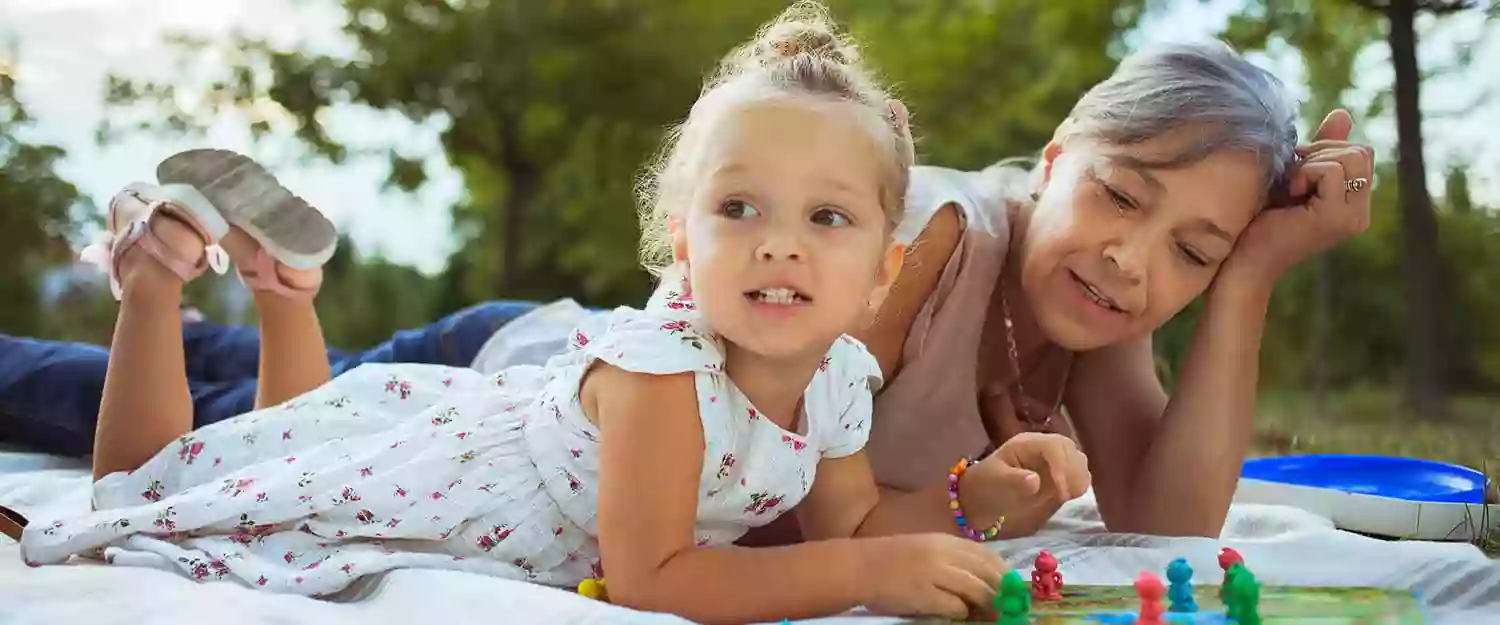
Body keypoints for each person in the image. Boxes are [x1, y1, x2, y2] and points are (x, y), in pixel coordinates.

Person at [1, 27, 1374, 541]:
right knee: (176, 435)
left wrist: (1253, 276)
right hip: (529, 382)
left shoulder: (1094, 310)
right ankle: (176, 289)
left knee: (240, 390)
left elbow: (1171, 518)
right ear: (1059, 157)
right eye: (1123, 197)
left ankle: (227, 293)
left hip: (559, 409)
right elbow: (775, 504)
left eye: (1193, 248)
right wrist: (957, 512)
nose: (1137, 261)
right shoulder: (946, 234)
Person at [10, 4, 1086, 622]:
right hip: (454, 473)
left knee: (272, 452)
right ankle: (152, 285)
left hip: (461, 452)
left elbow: (850, 522)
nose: (780, 241)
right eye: (739, 206)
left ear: (882, 270)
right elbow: (653, 574)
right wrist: (863, 574)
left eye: (829, 217)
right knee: (159, 495)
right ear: (682, 239)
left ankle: (285, 295)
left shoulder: (841, 376)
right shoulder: (668, 368)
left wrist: (971, 501)